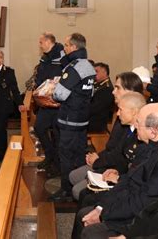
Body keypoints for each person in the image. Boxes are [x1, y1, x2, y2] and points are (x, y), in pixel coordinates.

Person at [73, 103, 158, 238]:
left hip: (139, 218)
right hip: (129, 202)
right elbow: (129, 179)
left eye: (138, 123)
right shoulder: (149, 145)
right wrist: (101, 208)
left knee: (90, 231)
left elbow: (144, 201)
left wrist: (104, 215)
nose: (135, 126)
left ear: (153, 131)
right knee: (85, 212)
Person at [70, 92, 146, 201]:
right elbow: (115, 151)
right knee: (73, 177)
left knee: (79, 192)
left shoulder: (141, 135)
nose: (118, 114)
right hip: (113, 169)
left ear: (134, 112)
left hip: (122, 177)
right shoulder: (128, 128)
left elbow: (125, 162)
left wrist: (100, 164)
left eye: (120, 110)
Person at [49, 33, 96, 202]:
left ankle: (66, 190)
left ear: (75, 48)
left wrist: (54, 91)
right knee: (78, 155)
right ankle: (79, 185)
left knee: (66, 156)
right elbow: (90, 93)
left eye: (67, 45)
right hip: (82, 119)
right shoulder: (89, 66)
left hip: (70, 119)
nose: (64, 48)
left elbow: (60, 94)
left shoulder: (74, 67)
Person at [34, 33, 65, 176]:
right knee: (39, 128)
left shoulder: (62, 55)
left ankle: (57, 166)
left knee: (57, 134)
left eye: (41, 42)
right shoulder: (44, 57)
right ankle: (50, 155)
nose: (40, 45)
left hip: (58, 103)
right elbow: (40, 75)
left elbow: (62, 77)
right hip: (45, 102)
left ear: (48, 42)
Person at [87, 62, 114, 133]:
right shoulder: (97, 84)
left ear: (104, 72)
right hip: (91, 118)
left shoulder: (107, 88)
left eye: (96, 71)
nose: (94, 73)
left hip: (96, 123)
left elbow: (95, 108)